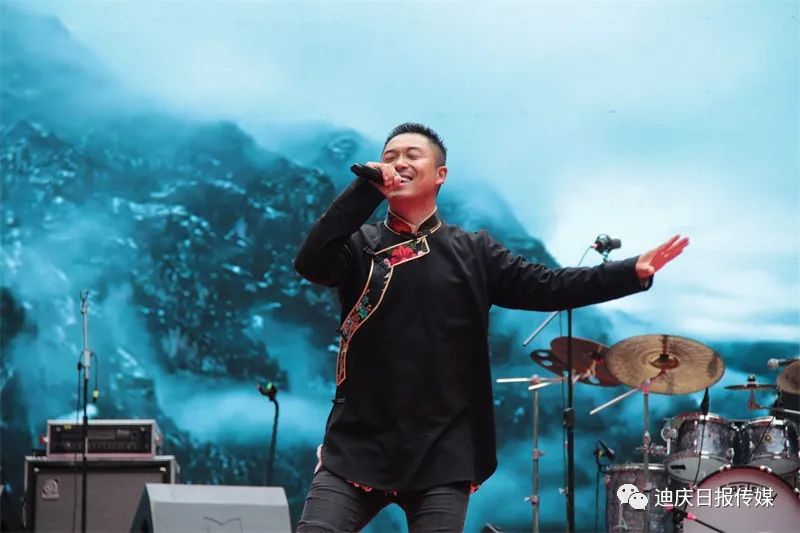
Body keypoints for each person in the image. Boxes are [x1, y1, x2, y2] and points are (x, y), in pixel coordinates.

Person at [293, 123, 689, 532]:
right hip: (357, 445)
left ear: (440, 175)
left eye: (413, 155)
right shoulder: (360, 245)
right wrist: (365, 190)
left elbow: (551, 286)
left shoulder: (474, 251)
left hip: (441, 452)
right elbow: (311, 261)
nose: (399, 162)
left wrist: (630, 272)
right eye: (390, 156)